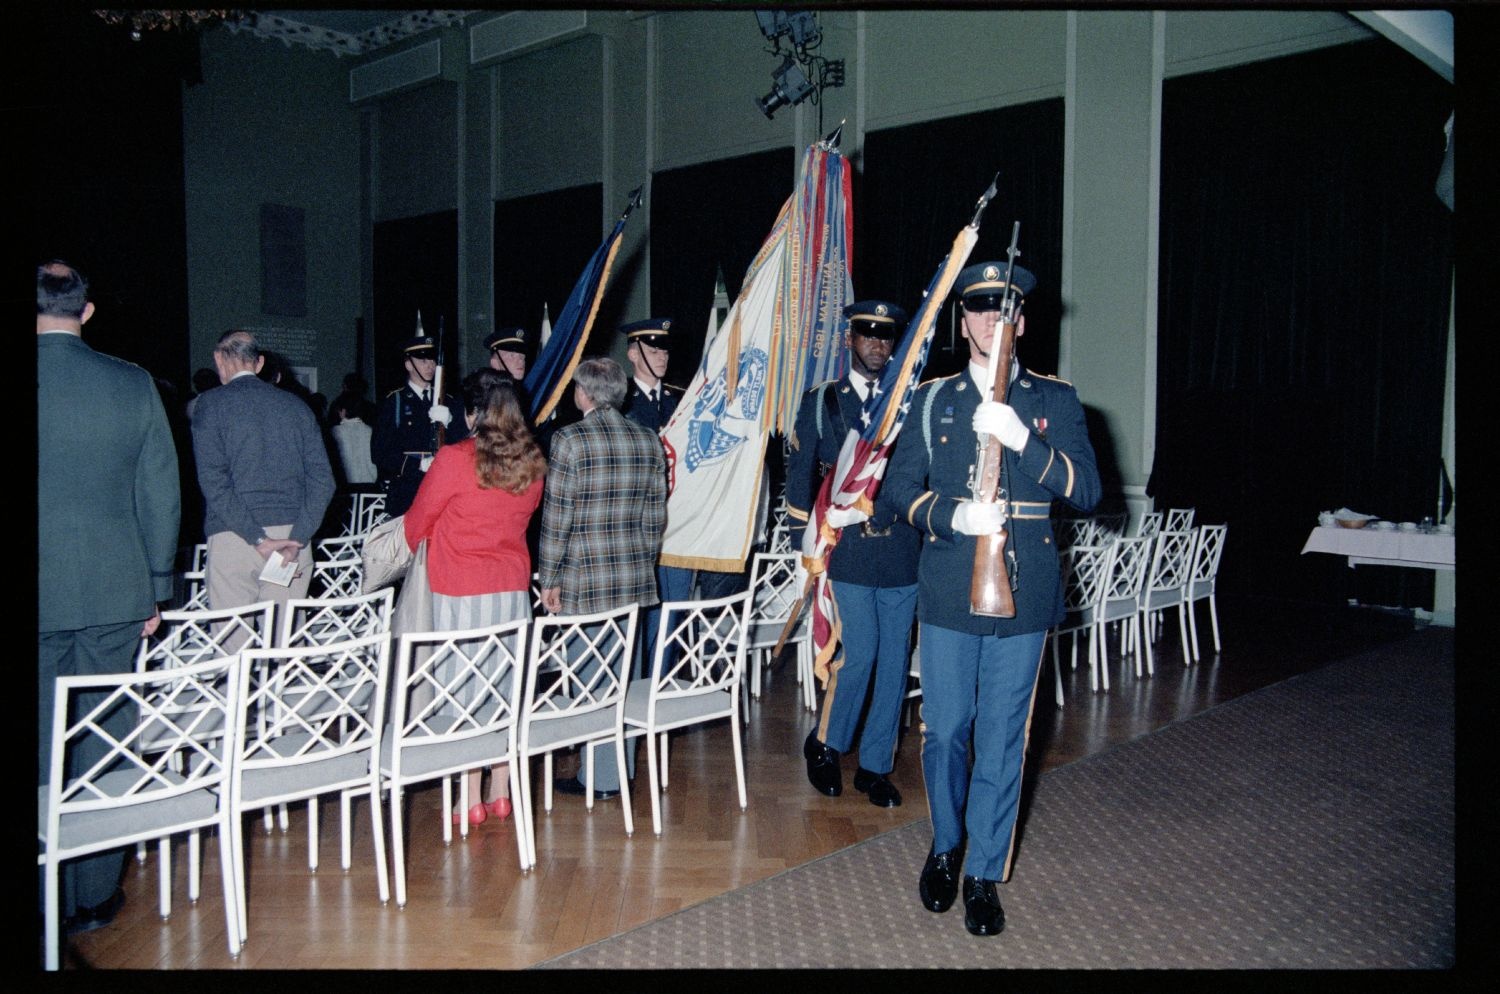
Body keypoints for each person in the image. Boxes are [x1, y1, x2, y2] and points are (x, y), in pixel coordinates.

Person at [880, 261, 1101, 937]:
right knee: (947, 730)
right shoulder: (932, 399)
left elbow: (1088, 491)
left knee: (1005, 739)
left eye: (1003, 311)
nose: (990, 322)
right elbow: (897, 490)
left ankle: (983, 872)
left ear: (1022, 322)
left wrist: (1019, 439)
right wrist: (951, 518)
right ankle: (946, 848)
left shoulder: (1055, 401)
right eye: (978, 309)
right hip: (950, 583)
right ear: (964, 321)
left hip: (1025, 589)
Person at [37, 261, 181, 935]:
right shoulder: (130, 383)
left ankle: (47, 895)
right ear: (88, 311)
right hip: (116, 590)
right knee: (103, 738)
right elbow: (161, 494)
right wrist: (156, 585)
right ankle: (93, 894)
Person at [788, 300, 921, 808]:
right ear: (850, 340)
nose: (877, 344)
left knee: (893, 663)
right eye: (867, 333)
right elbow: (802, 475)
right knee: (860, 654)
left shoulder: (909, 401)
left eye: (886, 336)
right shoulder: (824, 400)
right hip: (846, 551)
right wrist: (804, 545)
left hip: (901, 551)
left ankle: (875, 765)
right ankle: (826, 745)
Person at [403, 369, 546, 827]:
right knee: (505, 692)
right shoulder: (533, 461)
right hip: (512, 590)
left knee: (462, 695)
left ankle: (469, 798)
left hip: (460, 590)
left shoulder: (454, 457)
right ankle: (501, 791)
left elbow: (414, 525)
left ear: (470, 413)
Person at [537, 357, 667, 799]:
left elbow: (558, 520)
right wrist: (641, 565)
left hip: (584, 580)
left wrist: (548, 578)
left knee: (591, 681)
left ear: (583, 394)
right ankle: (618, 772)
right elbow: (655, 520)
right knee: (624, 679)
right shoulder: (648, 439)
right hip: (633, 579)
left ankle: (600, 778)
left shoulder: (569, 440)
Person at [191, 330, 336, 615]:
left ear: (219, 359)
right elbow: (323, 482)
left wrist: (258, 538)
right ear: (258, 363)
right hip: (292, 537)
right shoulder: (297, 407)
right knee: (282, 647)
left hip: (235, 536)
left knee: (234, 645)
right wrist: (298, 540)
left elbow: (214, 481)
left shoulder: (210, 404)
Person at [370, 335, 468, 517]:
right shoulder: (395, 401)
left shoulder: (449, 401)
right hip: (407, 490)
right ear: (408, 364)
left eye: (431, 359)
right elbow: (380, 452)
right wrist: (417, 465)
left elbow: (464, 442)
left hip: (443, 488)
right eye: (422, 360)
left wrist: (451, 423)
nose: (430, 365)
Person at [619, 318, 683, 434]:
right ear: (633, 355)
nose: (662, 358)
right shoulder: (620, 400)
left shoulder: (680, 398)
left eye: (665, 352)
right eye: (654, 352)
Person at [330, 393, 378, 486]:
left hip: (346, 488)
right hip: (369, 485)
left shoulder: (336, 432)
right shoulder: (370, 430)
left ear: (343, 411)